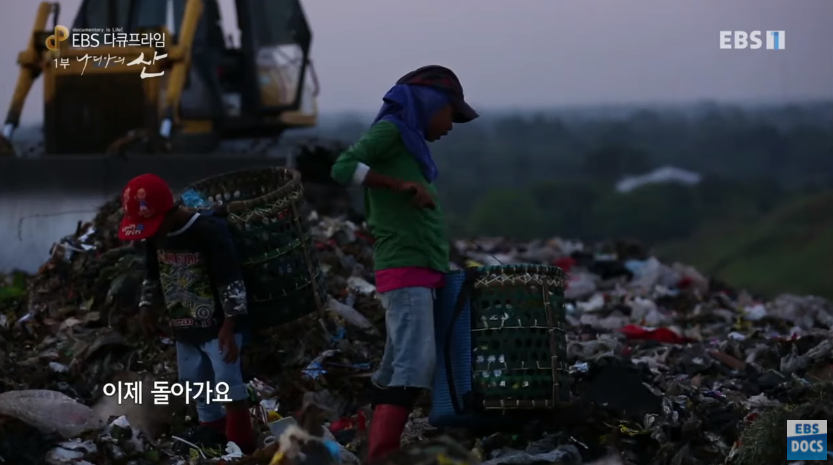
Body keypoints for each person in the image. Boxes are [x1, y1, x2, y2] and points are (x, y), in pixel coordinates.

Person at [330, 65, 478, 462]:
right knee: (416, 365)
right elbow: (343, 167)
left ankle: (363, 435)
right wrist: (399, 185)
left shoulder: (410, 143)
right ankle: (382, 454)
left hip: (420, 269)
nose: (451, 124)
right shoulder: (392, 130)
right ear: (429, 103)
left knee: (396, 363)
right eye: (451, 113)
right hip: (405, 266)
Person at [117, 173, 256, 454]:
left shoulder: (209, 231)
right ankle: (211, 429)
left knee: (227, 381)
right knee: (194, 382)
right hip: (184, 324)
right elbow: (152, 275)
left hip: (220, 324)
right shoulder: (155, 238)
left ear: (170, 212)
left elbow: (231, 280)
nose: (152, 233)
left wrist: (230, 327)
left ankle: (241, 441)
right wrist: (147, 307)